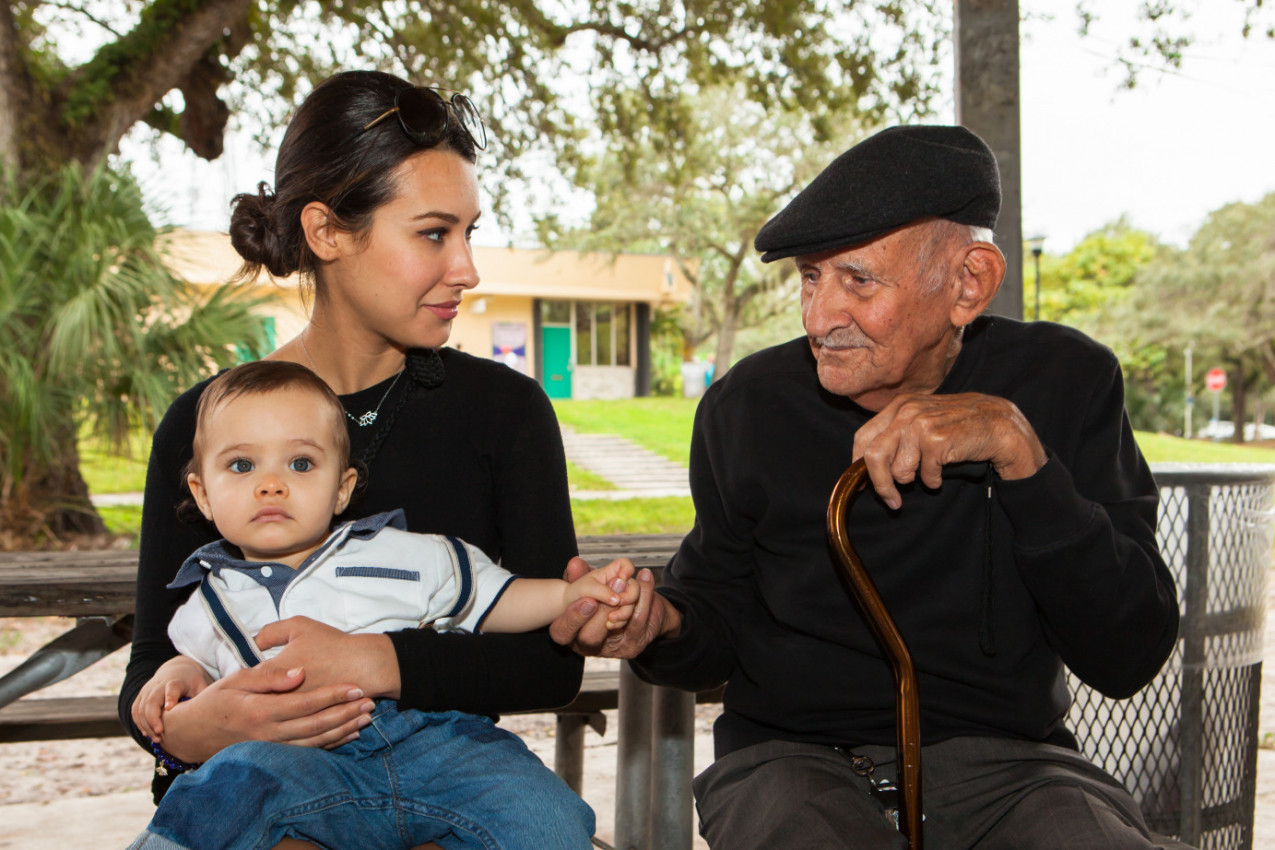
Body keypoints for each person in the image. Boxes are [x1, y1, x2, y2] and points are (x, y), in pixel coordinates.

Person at [550, 125, 1182, 849]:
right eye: (809, 279)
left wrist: (1018, 453)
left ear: (967, 282)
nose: (820, 319)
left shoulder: (1064, 382)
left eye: (858, 280)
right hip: (788, 762)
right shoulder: (748, 407)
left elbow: (1129, 651)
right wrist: (656, 623)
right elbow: (716, 616)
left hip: (1012, 766)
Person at [119, 69, 595, 848]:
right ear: (327, 231)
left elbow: (550, 665)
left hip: (449, 780)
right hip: (263, 790)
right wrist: (190, 732)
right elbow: (152, 665)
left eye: (470, 232)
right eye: (434, 233)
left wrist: (378, 660)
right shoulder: (206, 427)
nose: (467, 268)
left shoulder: (503, 413)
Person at [128, 361, 632, 849]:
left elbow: (494, 596)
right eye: (242, 465)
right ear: (203, 495)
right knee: (212, 800)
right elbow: (193, 662)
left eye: (301, 464)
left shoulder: (401, 552)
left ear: (343, 488)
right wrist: (176, 677)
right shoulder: (207, 599)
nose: (271, 483)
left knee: (544, 811)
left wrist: (568, 595)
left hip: (438, 745)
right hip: (295, 760)